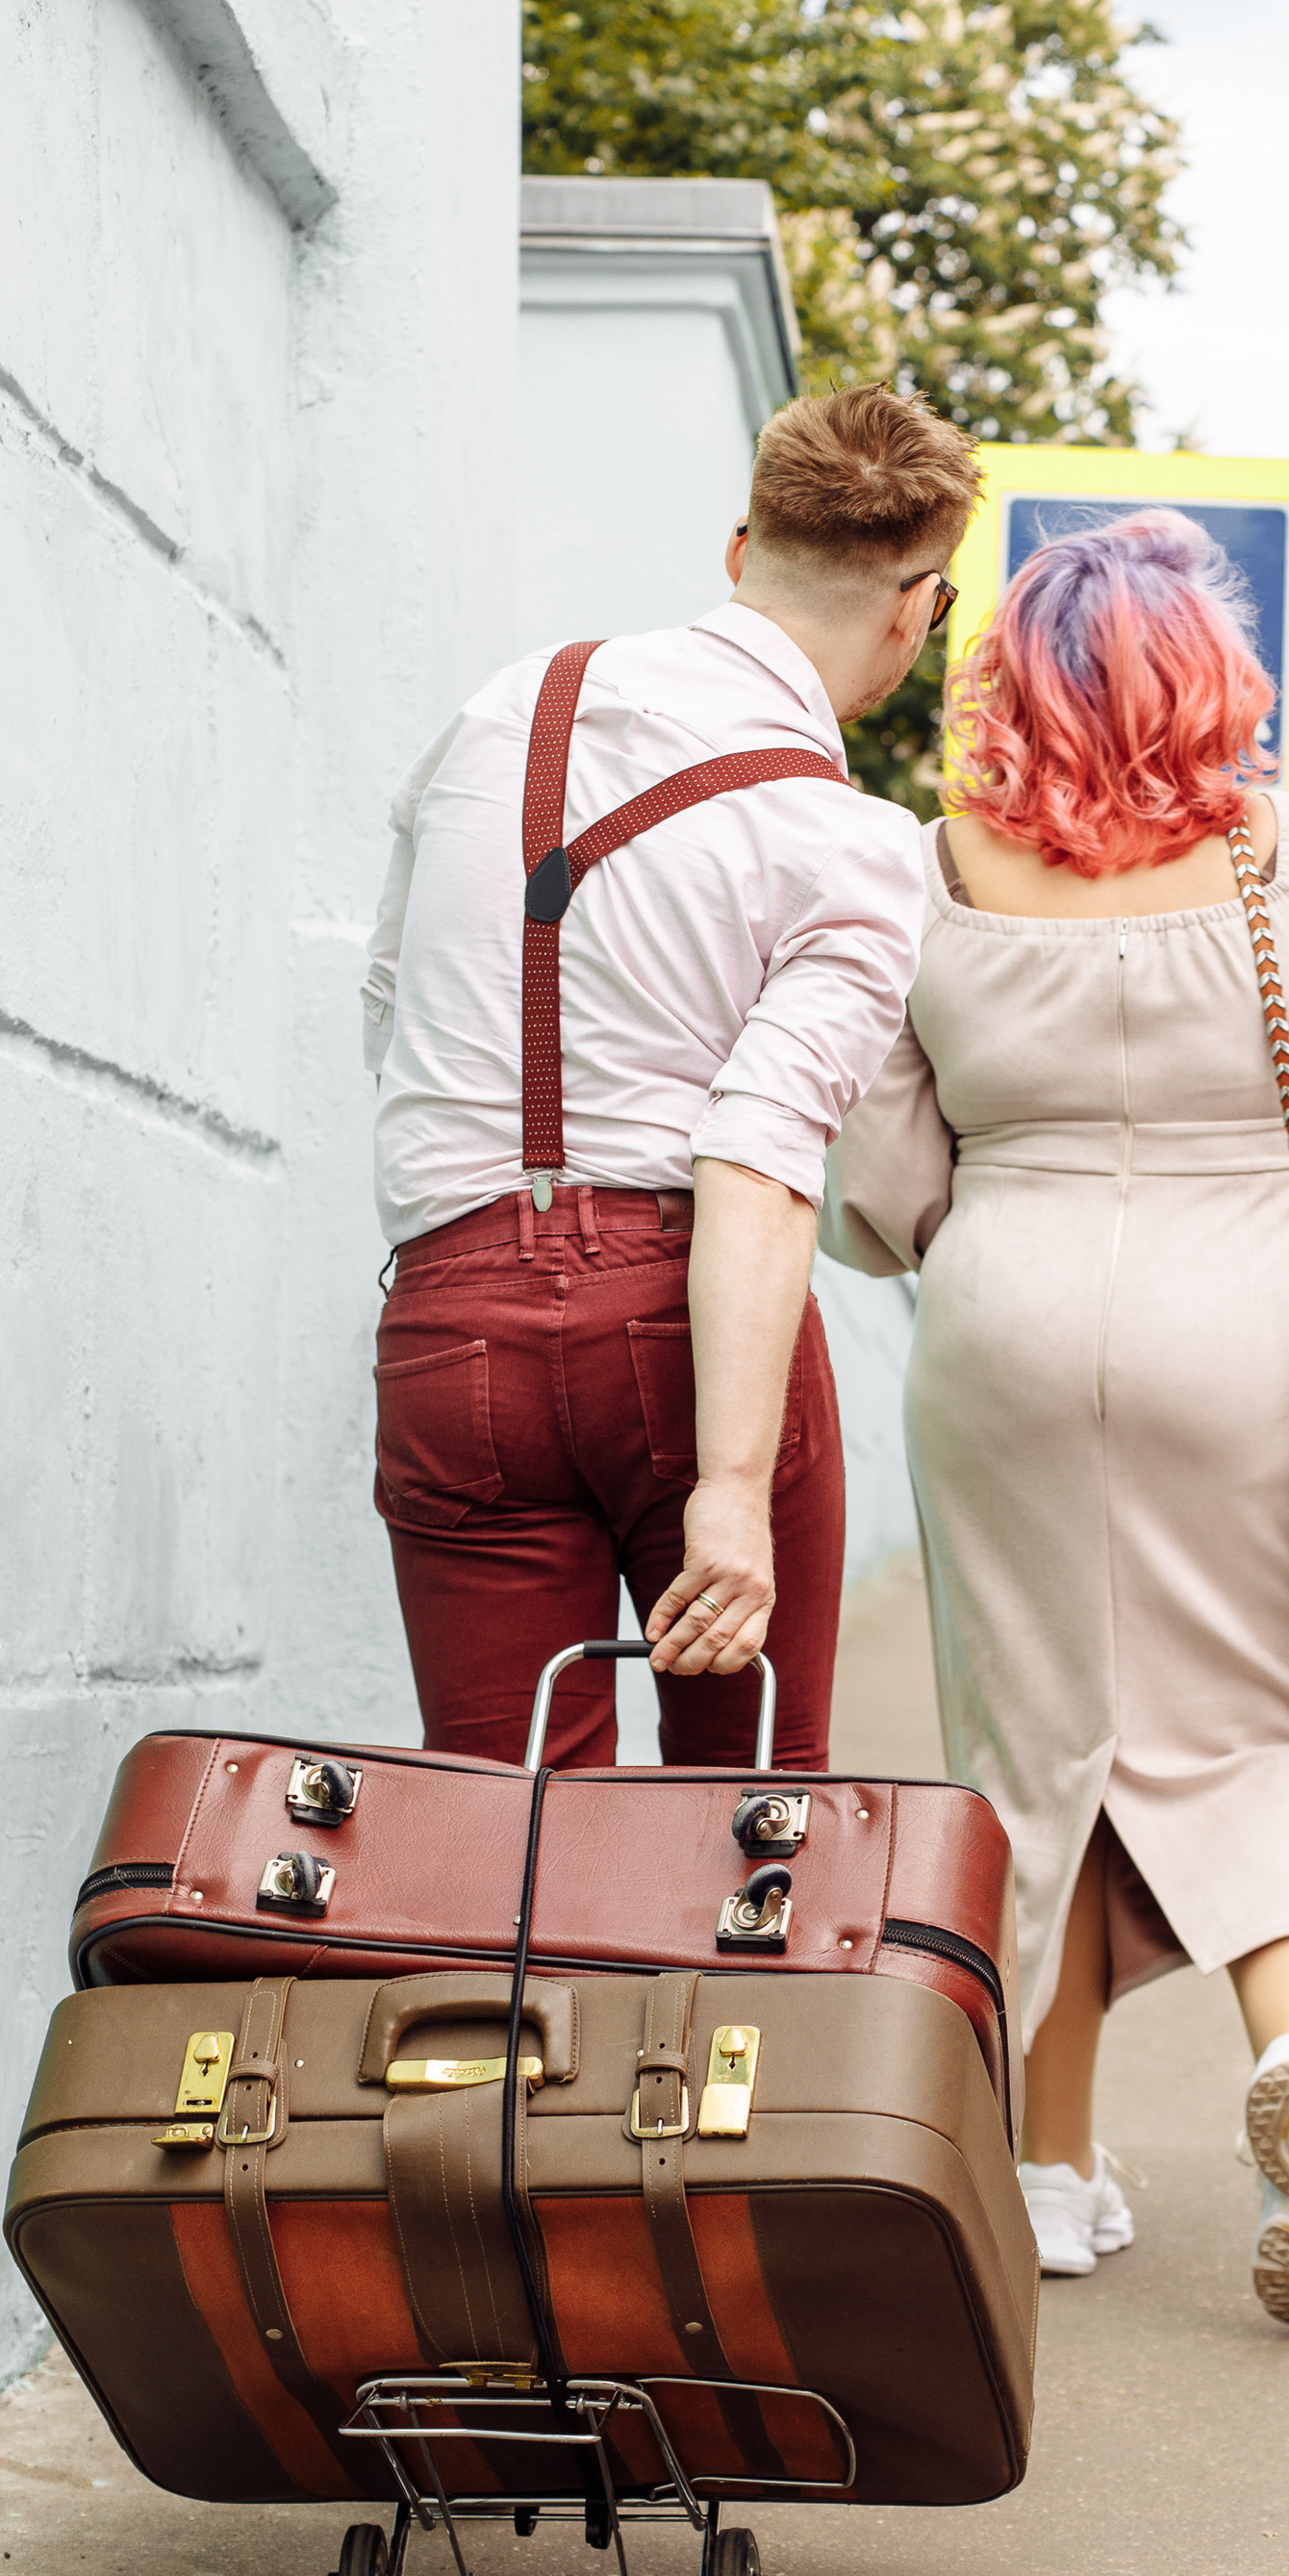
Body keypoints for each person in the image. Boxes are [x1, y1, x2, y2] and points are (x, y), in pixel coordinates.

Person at [822, 512, 1289, 2316]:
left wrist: (954, 1225)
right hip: (1244, 1318)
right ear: (1214, 676)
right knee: (1251, 1730)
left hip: (1011, 1320)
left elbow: (872, 1155)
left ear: (1007, 685)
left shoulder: (931, 868)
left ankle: (1046, 2173)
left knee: (1032, 1745)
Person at [362, 384, 976, 1770]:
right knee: (741, 1831)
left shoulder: (504, 710)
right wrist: (733, 1490)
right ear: (914, 606)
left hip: (452, 1321)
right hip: (685, 1329)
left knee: (512, 1840)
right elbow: (759, 1160)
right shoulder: (852, 843)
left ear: (739, 548)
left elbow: (390, 997)